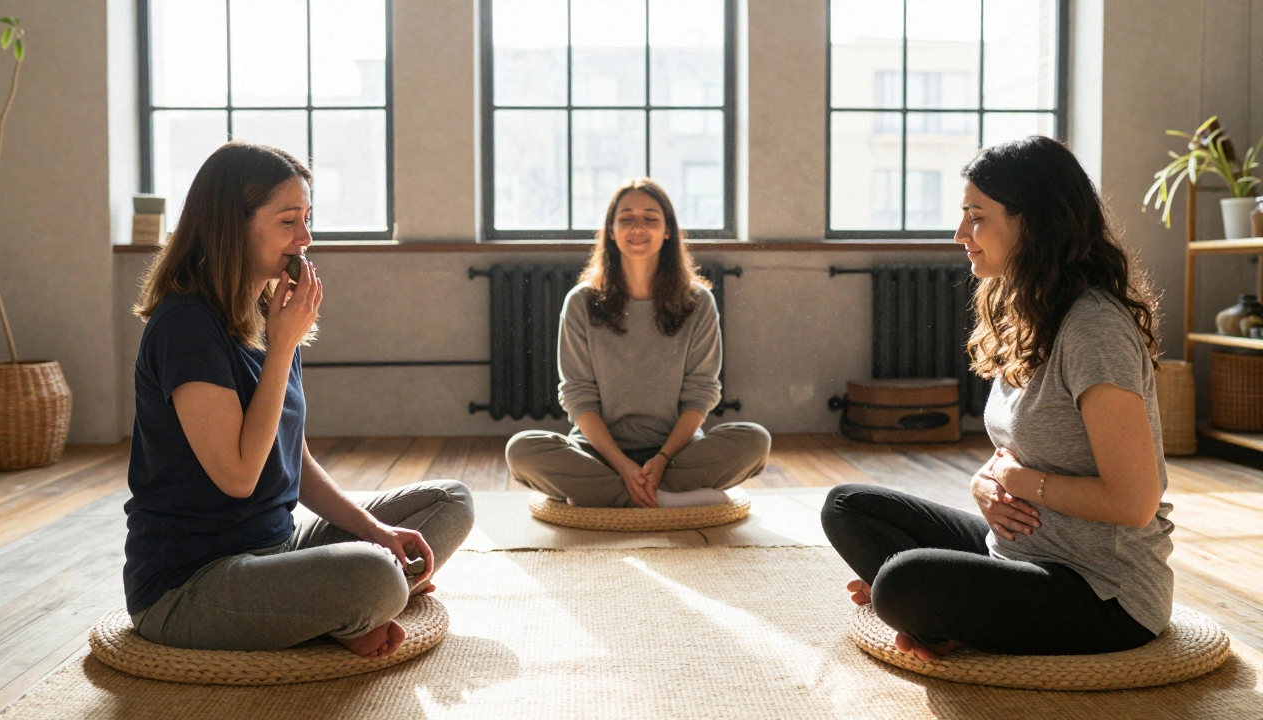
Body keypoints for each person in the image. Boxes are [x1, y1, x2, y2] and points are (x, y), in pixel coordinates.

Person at [822, 136, 1174, 661]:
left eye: (976, 216)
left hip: (1103, 591)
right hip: (1019, 549)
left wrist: (1019, 482)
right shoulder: (1029, 312)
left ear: (1032, 221)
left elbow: (1134, 502)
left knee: (901, 583)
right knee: (847, 506)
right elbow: (1028, 442)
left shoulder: (1094, 329)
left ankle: (932, 611)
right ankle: (944, 614)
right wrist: (984, 483)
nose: (960, 233)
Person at [124, 143, 474, 658]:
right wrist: (283, 345)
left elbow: (295, 460)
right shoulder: (185, 326)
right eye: (289, 221)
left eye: (306, 218)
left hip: (277, 548)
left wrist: (377, 530)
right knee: (374, 576)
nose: (305, 238)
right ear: (230, 226)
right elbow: (240, 476)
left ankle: (333, 607)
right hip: (189, 585)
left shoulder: (267, 312)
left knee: (449, 502)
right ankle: (349, 606)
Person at [506, 178, 771, 509]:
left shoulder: (698, 301)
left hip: (677, 452)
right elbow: (578, 397)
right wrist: (623, 465)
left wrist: (660, 460)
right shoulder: (580, 302)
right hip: (599, 453)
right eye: (626, 217)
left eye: (650, 218)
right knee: (521, 450)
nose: (638, 227)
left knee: (755, 441)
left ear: (668, 231)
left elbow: (701, 393)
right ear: (612, 230)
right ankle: (662, 498)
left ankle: (608, 495)